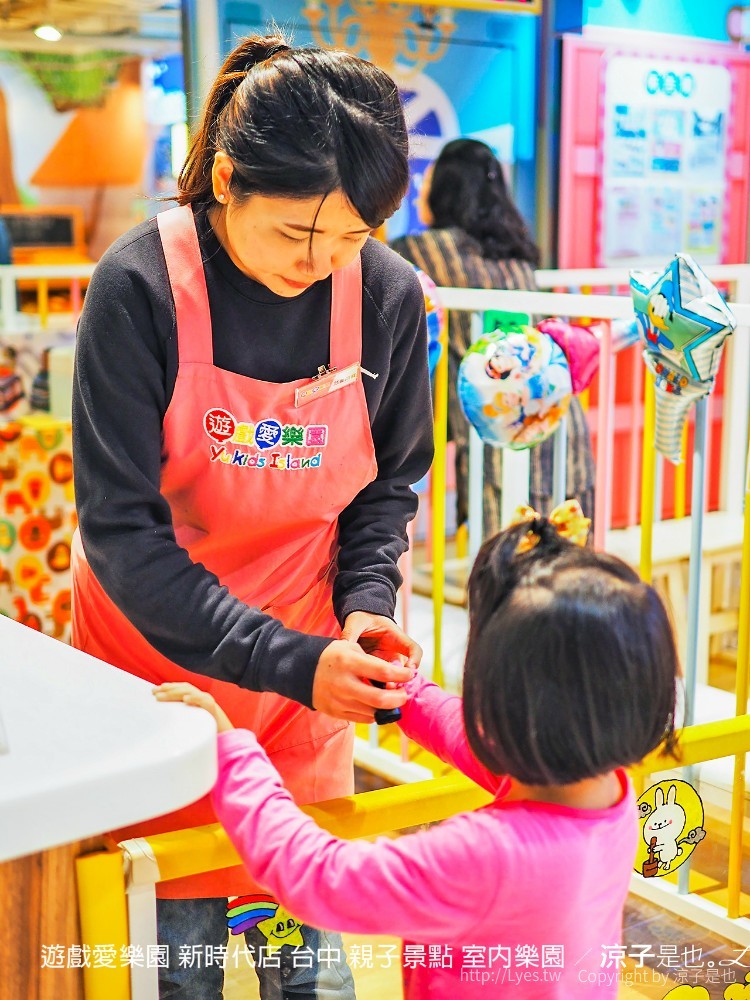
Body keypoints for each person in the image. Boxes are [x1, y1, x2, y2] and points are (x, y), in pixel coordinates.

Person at [71, 34, 433, 999]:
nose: (320, 265)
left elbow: (384, 486)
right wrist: (294, 659)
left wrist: (365, 606)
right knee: (174, 963)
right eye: (295, 234)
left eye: (351, 238)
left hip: (300, 692)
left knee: (307, 968)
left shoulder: (388, 296)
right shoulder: (139, 287)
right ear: (227, 180)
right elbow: (121, 535)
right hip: (155, 673)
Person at [154, 505, 679, 999]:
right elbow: (470, 737)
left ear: (502, 698)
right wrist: (400, 689)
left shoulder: (487, 856)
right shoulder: (607, 794)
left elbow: (318, 878)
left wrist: (234, 755)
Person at [391, 138, 595, 539]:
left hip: (503, 430)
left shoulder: (420, 251)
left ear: (445, 190)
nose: (418, 196)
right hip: (560, 419)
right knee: (566, 556)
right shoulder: (517, 253)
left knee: (505, 555)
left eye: (426, 183)